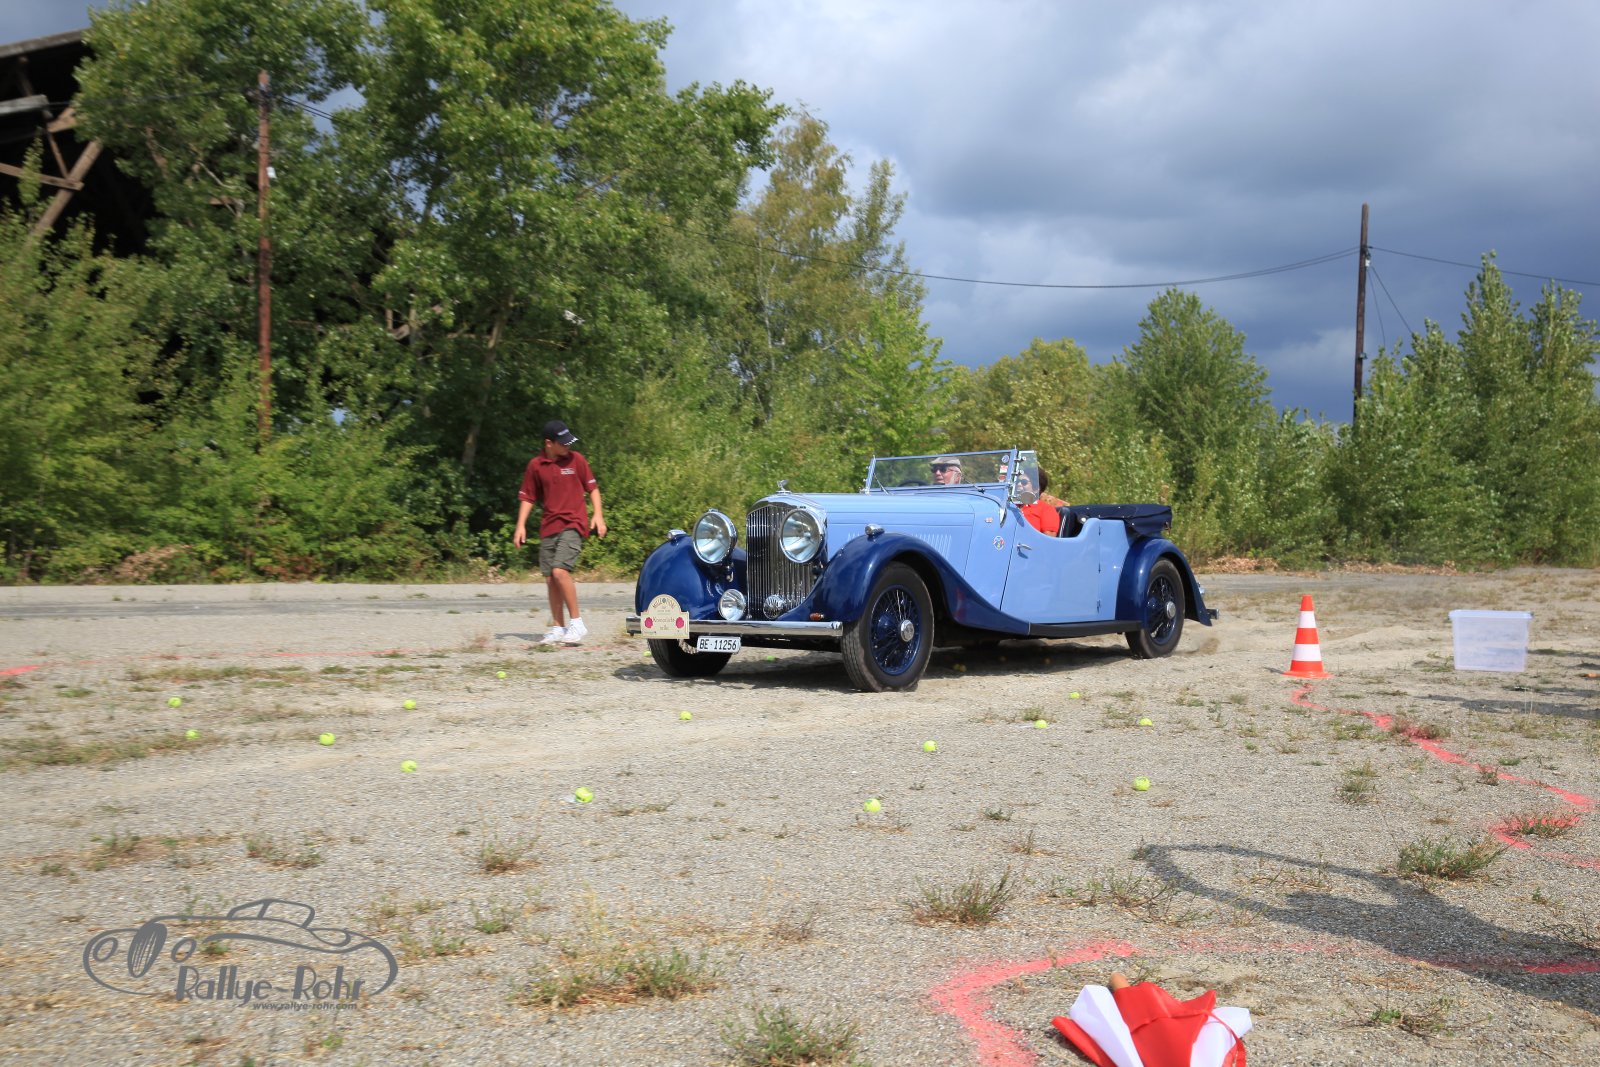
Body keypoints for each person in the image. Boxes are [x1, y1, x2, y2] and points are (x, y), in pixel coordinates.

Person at [514, 419, 607, 645]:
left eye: (569, 441)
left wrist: (598, 515)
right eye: (563, 442)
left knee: (560, 571)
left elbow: (593, 489)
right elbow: (528, 497)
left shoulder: (577, 460)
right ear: (549, 443)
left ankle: (577, 623)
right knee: (550, 578)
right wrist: (520, 525)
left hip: (573, 523)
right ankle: (558, 628)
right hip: (549, 526)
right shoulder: (536, 466)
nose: (568, 446)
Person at [1020, 468, 1064, 536]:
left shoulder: (1046, 509)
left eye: (1024, 482)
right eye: (1016, 481)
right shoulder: (1008, 505)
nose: (1018, 484)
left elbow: (1048, 539)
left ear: (1036, 488)